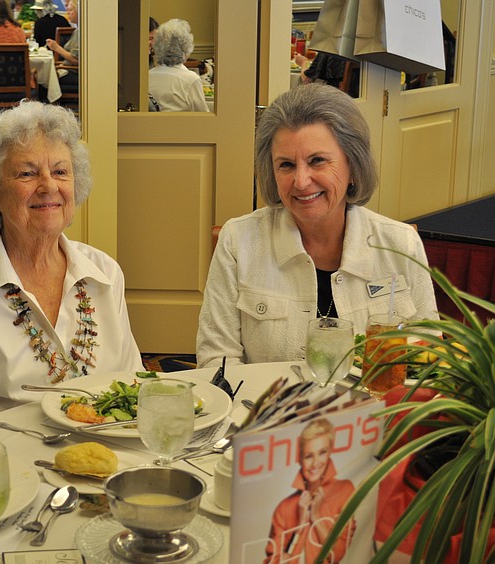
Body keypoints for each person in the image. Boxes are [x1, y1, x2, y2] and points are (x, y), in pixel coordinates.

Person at [0, 101, 144, 436]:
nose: (48, 185)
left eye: (61, 171)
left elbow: (135, 389)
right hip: (12, 472)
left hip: (112, 455)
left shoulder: (105, 273)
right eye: (27, 173)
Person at [196, 83, 438, 368]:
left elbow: (429, 359)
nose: (301, 181)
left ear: (353, 166)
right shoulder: (238, 241)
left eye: (318, 161)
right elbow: (217, 360)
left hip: (372, 410)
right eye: (286, 165)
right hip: (268, 409)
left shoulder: (399, 245)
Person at [265, 419, 355, 563]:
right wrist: (299, 528)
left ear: (331, 451)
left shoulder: (345, 490)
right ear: (300, 459)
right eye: (308, 456)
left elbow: (337, 556)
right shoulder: (284, 508)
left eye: (322, 452)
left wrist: (317, 517)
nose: (315, 463)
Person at [148, 19, 209, 113]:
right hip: (180, 126)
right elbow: (203, 117)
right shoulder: (191, 79)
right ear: (185, 48)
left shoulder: (147, 76)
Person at [45, 0, 79, 92]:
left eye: (71, 10)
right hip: (68, 68)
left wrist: (56, 47)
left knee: (44, 77)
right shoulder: (77, 30)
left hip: (75, 73)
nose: (68, 13)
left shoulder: (81, 32)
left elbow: (76, 60)